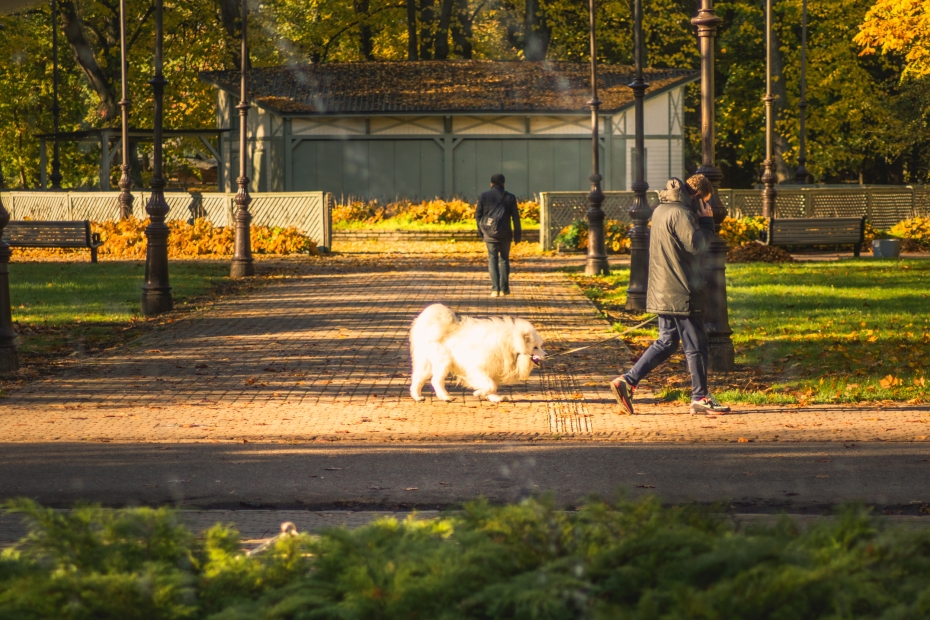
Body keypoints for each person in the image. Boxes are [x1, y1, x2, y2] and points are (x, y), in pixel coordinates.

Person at [609, 175, 730, 415]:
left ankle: (627, 381)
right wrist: (707, 222)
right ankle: (701, 397)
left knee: (666, 342)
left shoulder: (662, 210)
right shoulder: (682, 213)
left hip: (663, 288)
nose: (705, 207)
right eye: (704, 202)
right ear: (696, 196)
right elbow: (697, 246)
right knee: (696, 345)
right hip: (682, 288)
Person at [476, 173, 521, 297]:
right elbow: (515, 218)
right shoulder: (510, 197)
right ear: (503, 183)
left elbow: (478, 215)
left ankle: (495, 289)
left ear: (491, 184)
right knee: (504, 260)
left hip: (489, 234)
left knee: (492, 260)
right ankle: (504, 289)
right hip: (506, 234)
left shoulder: (484, 196)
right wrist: (517, 234)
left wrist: (481, 231)